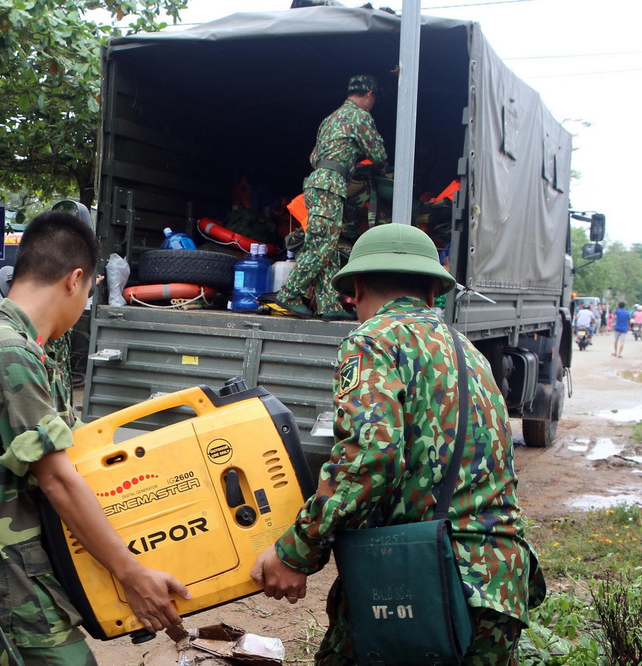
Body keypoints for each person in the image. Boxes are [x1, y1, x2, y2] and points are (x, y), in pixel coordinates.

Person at [250, 223, 542, 665]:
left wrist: (297, 552)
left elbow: (370, 459)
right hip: (498, 584)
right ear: (431, 292)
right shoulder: (469, 352)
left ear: (357, 287)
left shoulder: (373, 340)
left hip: (428, 584)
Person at [0, 211, 188, 664]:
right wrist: (132, 574)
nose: (84, 305)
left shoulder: (22, 346)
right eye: (90, 292)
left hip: (23, 577)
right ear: (75, 280)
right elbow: (58, 480)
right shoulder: (8, 354)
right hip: (9, 587)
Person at [268, 74, 388, 321]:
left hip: (316, 183)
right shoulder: (360, 116)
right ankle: (289, 294)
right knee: (321, 244)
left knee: (329, 245)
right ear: (370, 94)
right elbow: (378, 154)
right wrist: (363, 166)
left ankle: (328, 304)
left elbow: (314, 157)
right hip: (331, 184)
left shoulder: (329, 119)